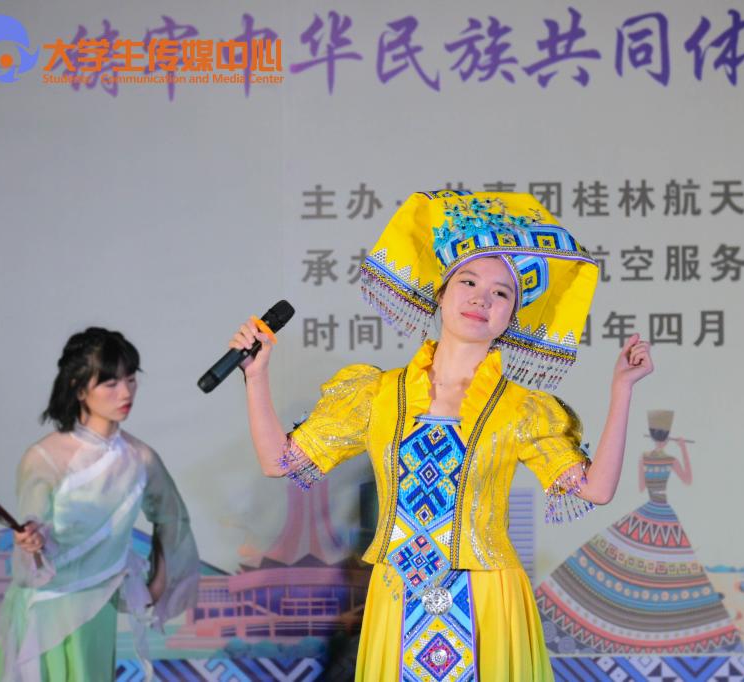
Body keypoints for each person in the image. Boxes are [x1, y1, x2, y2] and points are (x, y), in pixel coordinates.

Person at [230, 190, 653, 680]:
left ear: (511, 317)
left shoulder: (522, 409)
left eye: (501, 293)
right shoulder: (377, 394)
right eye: (468, 281)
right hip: (399, 594)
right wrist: (256, 376)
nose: (481, 298)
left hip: (487, 597)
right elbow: (279, 460)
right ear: (442, 292)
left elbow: (595, 489)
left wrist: (622, 390)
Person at [0, 328, 199, 682]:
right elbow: (32, 523)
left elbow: (172, 517)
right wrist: (31, 539)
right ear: (78, 388)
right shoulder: (45, 457)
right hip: (45, 606)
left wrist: (157, 584)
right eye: (110, 383)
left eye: (130, 379)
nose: (126, 392)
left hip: (97, 607)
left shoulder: (141, 458)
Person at [536, 410, 743, 654]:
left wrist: (681, 452)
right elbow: (659, 481)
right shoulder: (653, 457)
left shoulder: (658, 457)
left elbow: (678, 478)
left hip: (658, 511)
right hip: (655, 510)